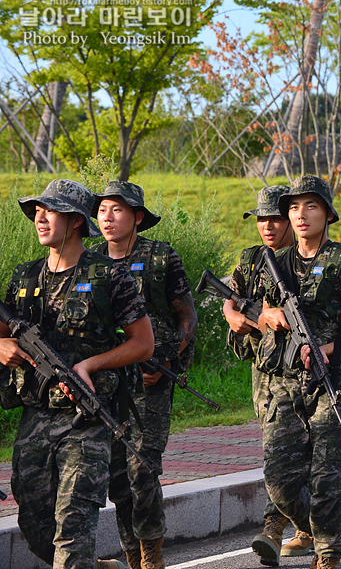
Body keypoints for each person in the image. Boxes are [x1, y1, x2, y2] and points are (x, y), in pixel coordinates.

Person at [0, 179, 154, 569]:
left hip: (86, 420)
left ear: (74, 221)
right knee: (35, 526)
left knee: (73, 523)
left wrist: (89, 365)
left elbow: (143, 343)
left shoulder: (108, 275)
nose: (39, 217)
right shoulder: (24, 276)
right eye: (37, 210)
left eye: (48, 210)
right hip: (35, 415)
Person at [256, 176, 341, 569]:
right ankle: (318, 528)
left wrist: (327, 349)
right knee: (279, 478)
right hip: (284, 382)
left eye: (310, 206)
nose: (301, 214)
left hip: (332, 381)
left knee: (327, 473)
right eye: (294, 207)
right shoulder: (276, 262)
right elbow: (248, 309)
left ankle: (328, 552)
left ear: (326, 213)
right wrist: (265, 314)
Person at [88, 181, 197, 569]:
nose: (107, 217)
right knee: (116, 472)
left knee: (142, 466)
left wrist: (167, 360)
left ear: (136, 217)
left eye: (116, 209)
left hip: (152, 377)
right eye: (102, 209)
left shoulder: (160, 257)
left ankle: (151, 548)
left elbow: (186, 315)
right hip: (107, 381)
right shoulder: (90, 259)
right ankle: (130, 552)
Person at [222, 185, 314, 566]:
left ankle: (277, 526)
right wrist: (233, 314)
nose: (268, 225)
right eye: (261, 219)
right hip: (265, 371)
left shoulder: (309, 258)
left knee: (298, 457)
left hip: (305, 372)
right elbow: (231, 295)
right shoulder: (251, 258)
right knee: (275, 453)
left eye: (275, 217)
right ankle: (304, 525)